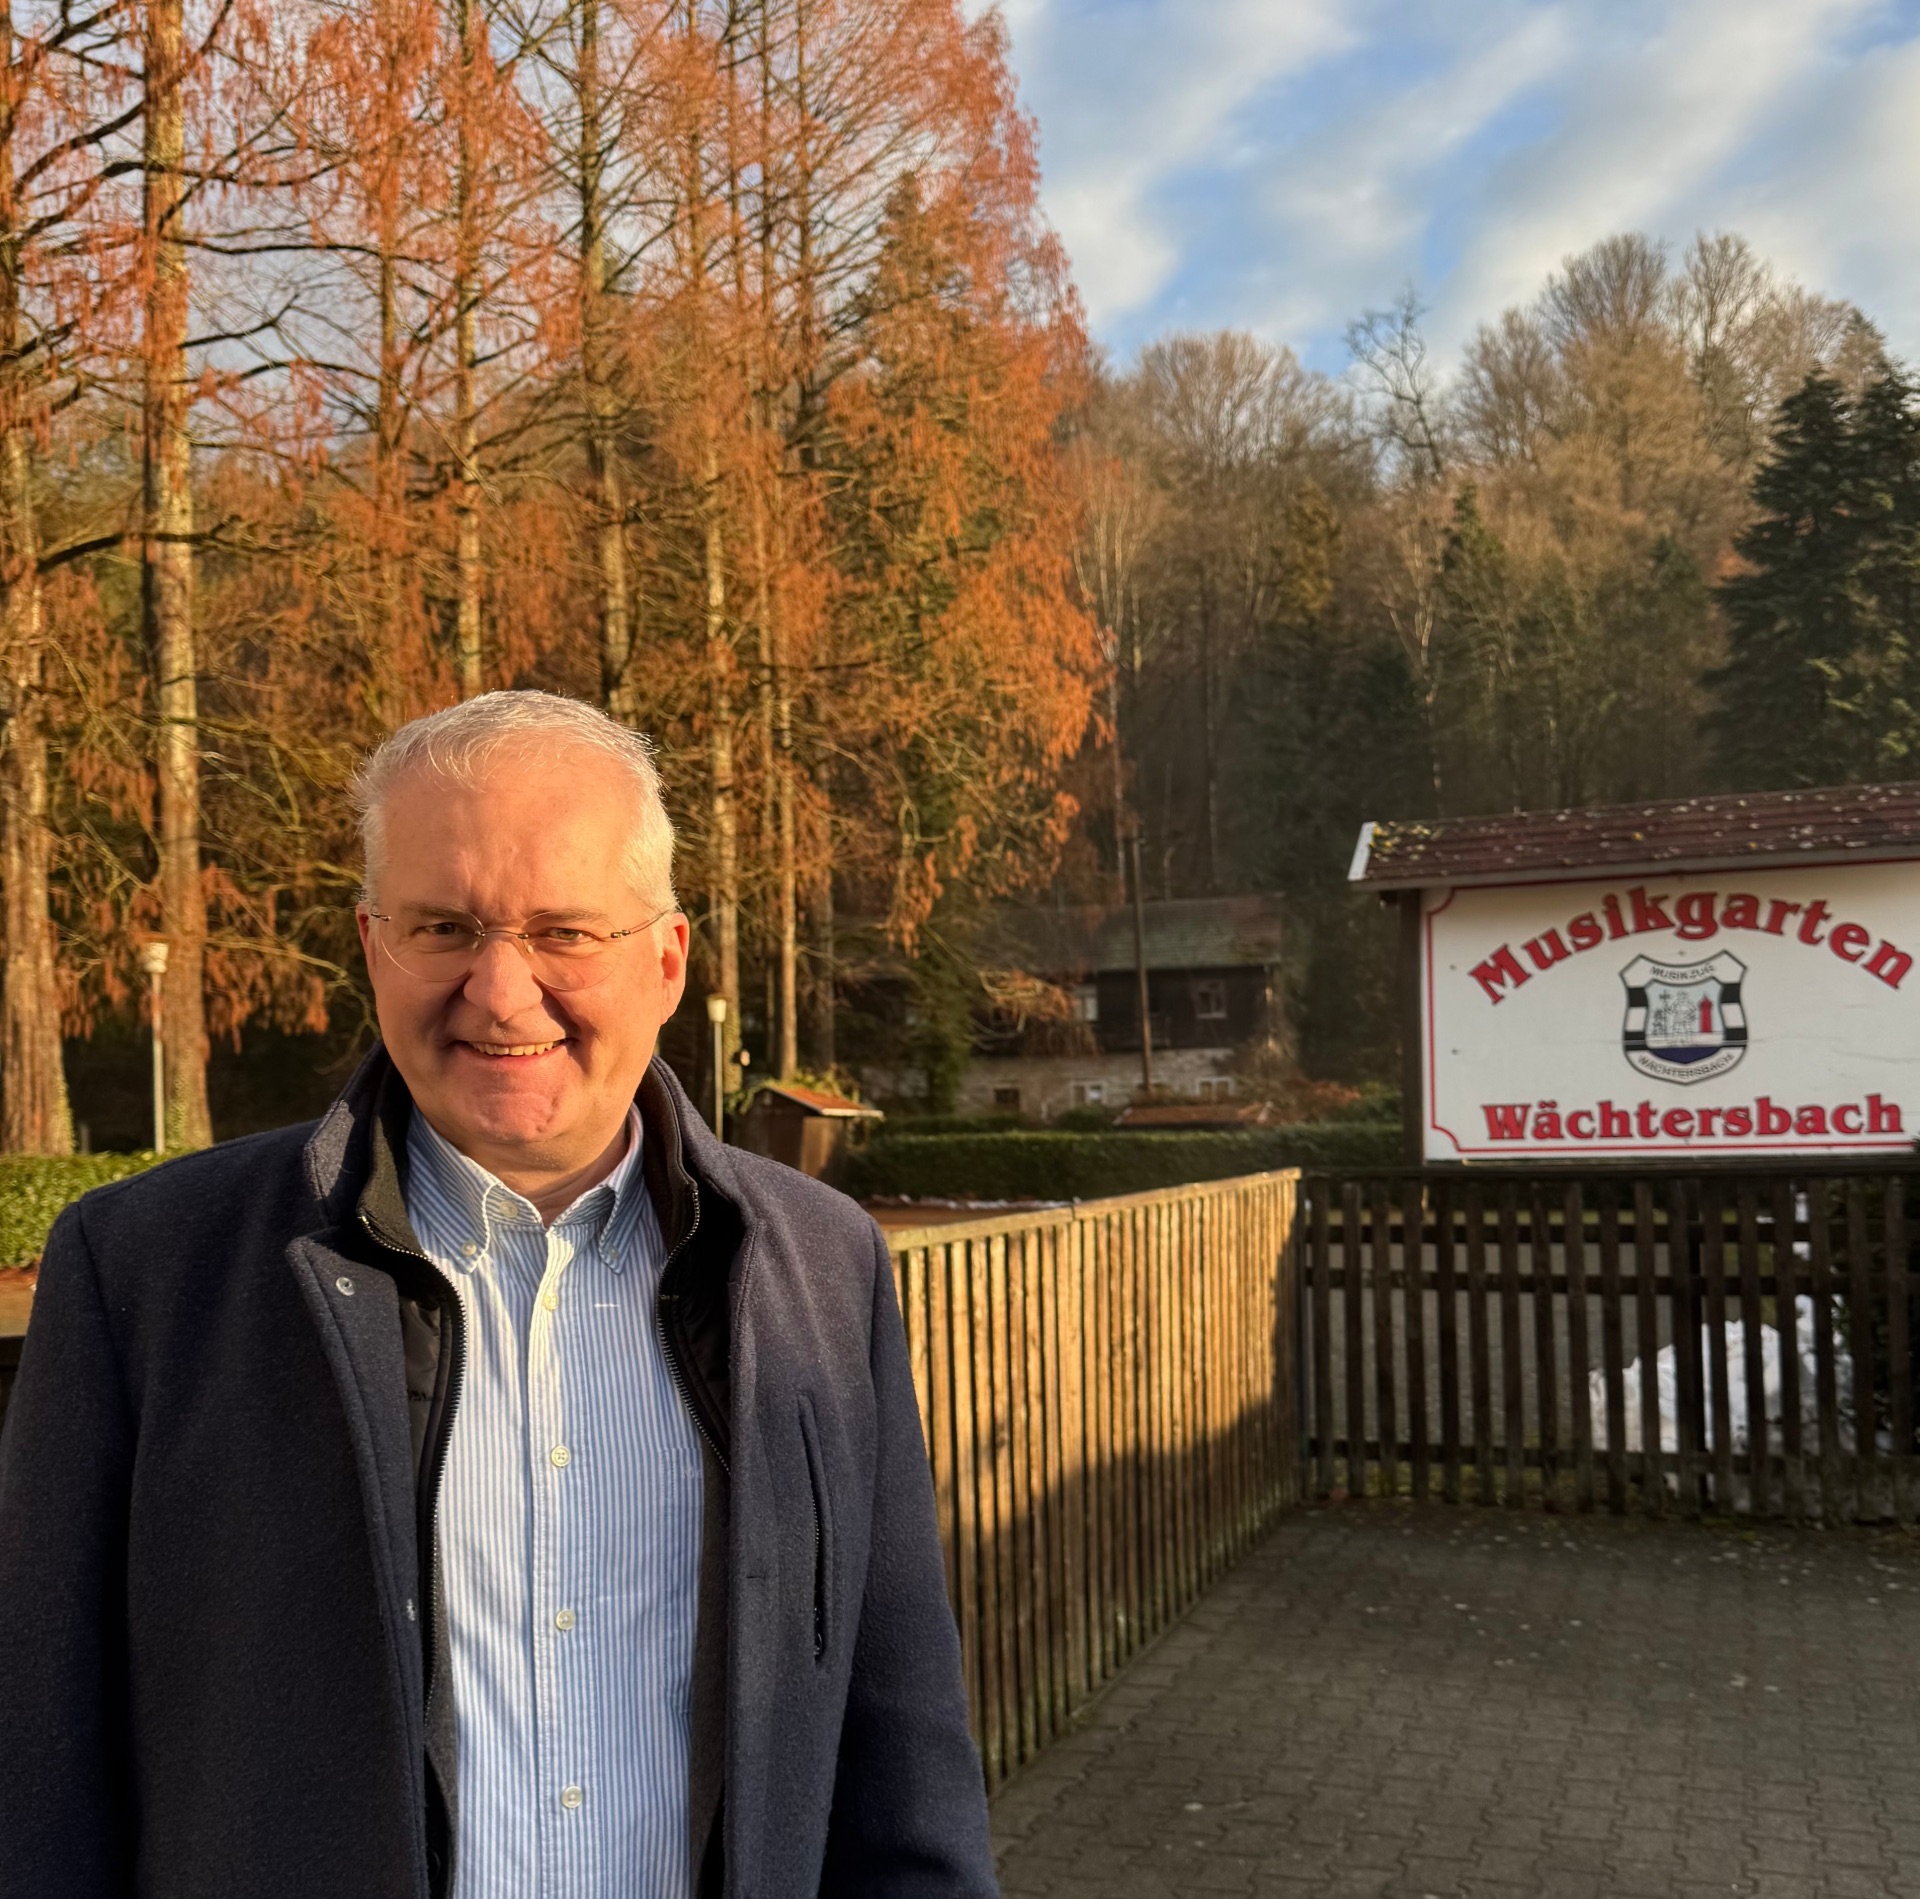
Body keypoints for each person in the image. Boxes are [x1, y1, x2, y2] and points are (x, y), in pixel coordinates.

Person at [0, 691, 997, 1899]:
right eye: (445, 927)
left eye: (564, 931)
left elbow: (902, 1762)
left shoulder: (819, 1271)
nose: (502, 989)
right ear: (374, 946)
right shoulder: (147, 1274)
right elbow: (39, 1774)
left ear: (666, 961)